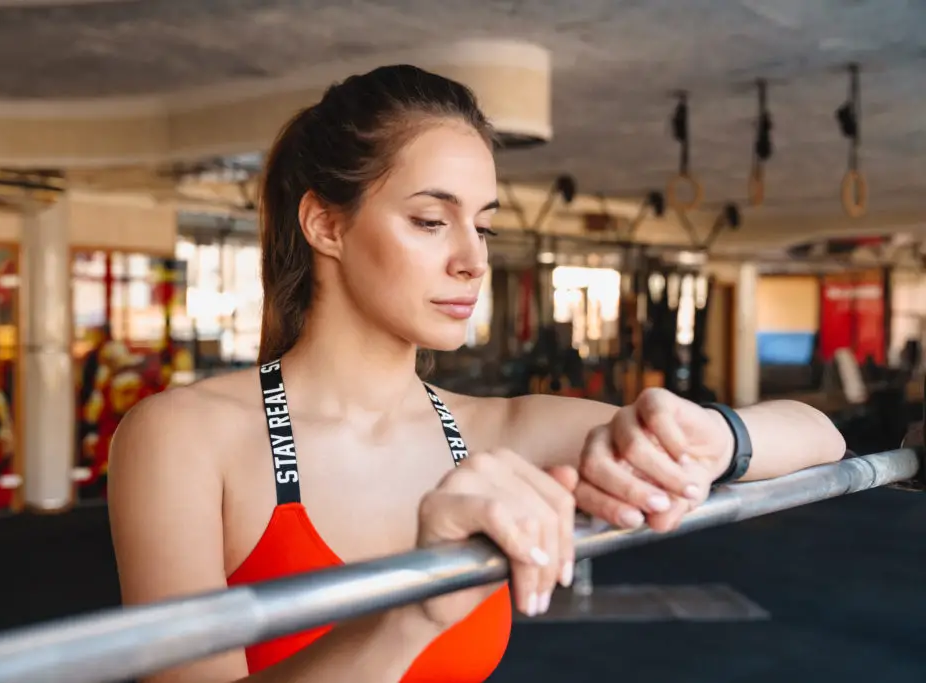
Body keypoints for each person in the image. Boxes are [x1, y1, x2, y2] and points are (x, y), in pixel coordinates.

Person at [108, 64, 847, 683]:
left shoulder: (494, 433)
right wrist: (419, 603)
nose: (474, 258)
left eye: (483, 225)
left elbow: (820, 436)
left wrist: (709, 438)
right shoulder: (184, 438)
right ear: (326, 224)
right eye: (432, 221)